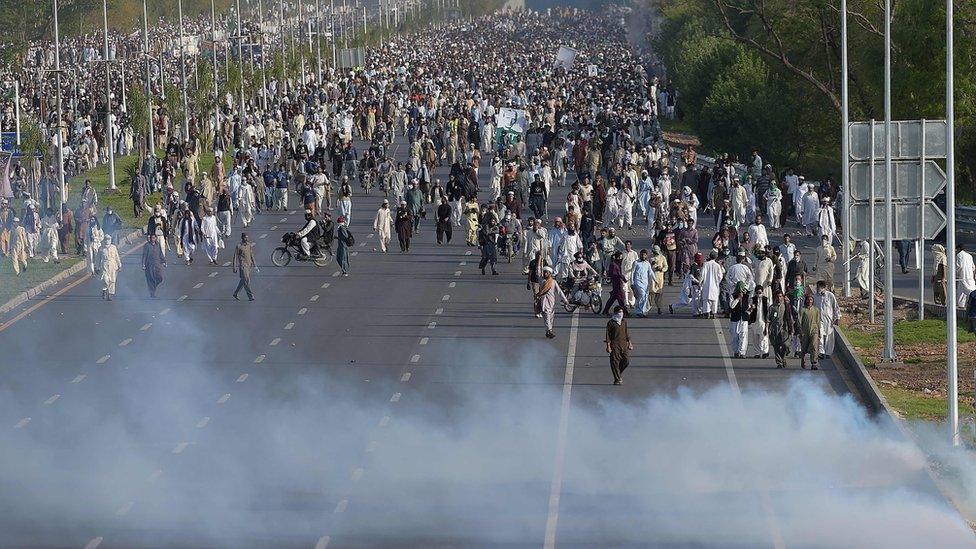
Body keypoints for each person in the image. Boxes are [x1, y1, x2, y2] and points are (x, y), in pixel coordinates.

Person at [535, 266, 567, 339]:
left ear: (550, 273)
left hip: (551, 302)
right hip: (543, 301)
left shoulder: (553, 282)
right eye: (544, 272)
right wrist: (539, 261)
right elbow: (538, 272)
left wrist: (565, 300)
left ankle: (548, 331)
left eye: (547, 273)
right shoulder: (541, 280)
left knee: (551, 318)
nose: (545, 274)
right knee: (547, 316)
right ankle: (549, 331)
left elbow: (559, 291)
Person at [605, 306, 633, 385]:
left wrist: (630, 343)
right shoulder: (611, 323)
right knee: (615, 362)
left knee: (626, 361)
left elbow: (626, 333)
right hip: (615, 345)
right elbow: (607, 336)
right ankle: (617, 379)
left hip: (624, 344)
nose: (621, 314)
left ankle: (617, 373)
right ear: (615, 313)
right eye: (619, 312)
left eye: (622, 312)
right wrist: (608, 346)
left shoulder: (624, 322)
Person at [814, 280, 840, 358]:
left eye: (820, 287)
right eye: (818, 287)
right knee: (820, 335)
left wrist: (837, 317)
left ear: (824, 287)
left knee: (829, 336)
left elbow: (835, 307)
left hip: (829, 319)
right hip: (819, 319)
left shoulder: (830, 295)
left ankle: (828, 353)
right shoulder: (815, 296)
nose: (818, 288)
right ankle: (821, 352)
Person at [768, 290, 794, 368]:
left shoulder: (786, 306)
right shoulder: (772, 307)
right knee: (776, 346)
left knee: (785, 345)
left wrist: (791, 328)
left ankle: (783, 358)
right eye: (777, 296)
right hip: (774, 330)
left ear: (782, 297)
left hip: (784, 329)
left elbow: (790, 318)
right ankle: (779, 362)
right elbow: (768, 319)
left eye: (780, 296)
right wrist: (766, 329)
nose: (779, 298)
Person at [600, 252, 630, 316]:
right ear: (618, 257)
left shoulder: (617, 264)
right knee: (620, 298)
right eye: (621, 257)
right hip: (616, 283)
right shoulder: (613, 264)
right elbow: (613, 274)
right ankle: (625, 312)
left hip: (618, 282)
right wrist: (622, 277)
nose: (621, 258)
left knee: (613, 298)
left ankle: (605, 311)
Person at [798, 294, 821, 369]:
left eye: (811, 300)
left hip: (814, 330)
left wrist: (819, 332)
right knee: (804, 347)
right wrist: (800, 331)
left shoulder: (816, 309)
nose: (810, 301)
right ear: (806, 300)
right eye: (808, 299)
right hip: (805, 331)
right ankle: (802, 359)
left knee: (814, 346)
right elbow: (799, 321)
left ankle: (814, 362)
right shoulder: (802, 309)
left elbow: (818, 321)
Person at [729, 283, 751, 358]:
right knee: (735, 336)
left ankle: (742, 352)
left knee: (744, 336)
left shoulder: (746, 297)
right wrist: (738, 298)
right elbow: (732, 306)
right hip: (735, 319)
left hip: (744, 319)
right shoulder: (732, 296)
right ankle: (736, 351)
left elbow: (748, 308)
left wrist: (750, 310)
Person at [96, 235, 122, 301]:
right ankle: (104, 290)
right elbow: (98, 258)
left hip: (113, 266)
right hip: (104, 265)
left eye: (108, 239)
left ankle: (110, 294)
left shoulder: (114, 247)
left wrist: (119, 265)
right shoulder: (101, 248)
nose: (107, 241)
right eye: (106, 239)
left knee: (113, 280)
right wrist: (97, 267)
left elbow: (117, 256)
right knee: (105, 279)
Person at [232, 233, 256, 301]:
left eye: (247, 237)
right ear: (242, 238)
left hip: (249, 266)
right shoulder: (239, 246)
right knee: (246, 280)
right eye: (245, 238)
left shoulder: (249, 245)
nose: (247, 239)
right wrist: (234, 267)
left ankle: (236, 293)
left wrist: (255, 265)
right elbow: (235, 257)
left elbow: (251, 255)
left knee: (243, 281)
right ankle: (251, 296)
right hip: (243, 266)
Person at [701, 251, 724, 318]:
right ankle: (713, 313)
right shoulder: (717, 265)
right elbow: (720, 276)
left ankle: (707, 313)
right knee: (714, 300)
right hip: (715, 285)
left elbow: (702, 274)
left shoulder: (706, 264)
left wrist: (700, 282)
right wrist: (717, 281)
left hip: (706, 285)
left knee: (706, 300)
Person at [141, 234, 166, 298]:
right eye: (151, 238)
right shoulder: (147, 245)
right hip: (149, 265)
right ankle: (152, 293)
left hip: (157, 264)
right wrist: (143, 264)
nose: (152, 239)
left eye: (154, 238)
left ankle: (154, 286)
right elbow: (144, 255)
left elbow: (161, 253)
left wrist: (164, 261)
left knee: (160, 278)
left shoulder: (158, 245)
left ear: (156, 238)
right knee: (150, 279)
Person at [750, 285, 770, 359]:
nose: (759, 294)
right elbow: (749, 311)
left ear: (762, 292)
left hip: (763, 321)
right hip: (755, 321)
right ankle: (757, 353)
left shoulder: (766, 299)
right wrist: (751, 308)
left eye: (760, 292)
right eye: (757, 293)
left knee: (764, 337)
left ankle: (765, 352)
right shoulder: (752, 299)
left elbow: (769, 310)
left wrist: (768, 321)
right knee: (755, 338)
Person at [631, 249, 651, 317]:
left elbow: (650, 273)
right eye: (642, 254)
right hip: (637, 281)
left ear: (646, 256)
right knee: (642, 295)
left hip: (645, 282)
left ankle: (643, 311)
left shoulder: (647, 263)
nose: (643, 256)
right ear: (640, 255)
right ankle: (639, 310)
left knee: (645, 297)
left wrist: (654, 281)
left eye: (644, 255)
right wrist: (632, 283)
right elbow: (632, 273)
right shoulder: (636, 263)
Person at [649, 245, 668, 315]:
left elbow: (666, 266)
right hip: (652, 277)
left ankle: (659, 308)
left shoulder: (662, 257)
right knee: (651, 293)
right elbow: (648, 266)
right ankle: (647, 308)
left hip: (659, 277)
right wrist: (653, 266)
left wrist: (662, 269)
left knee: (659, 293)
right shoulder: (650, 257)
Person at [955, 244, 976, 308]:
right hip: (969, 276)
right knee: (962, 291)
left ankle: (963, 304)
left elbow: (958, 266)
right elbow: (973, 267)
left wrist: (953, 273)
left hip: (963, 276)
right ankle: (961, 305)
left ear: (958, 249)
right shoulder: (969, 255)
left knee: (969, 290)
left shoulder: (959, 255)